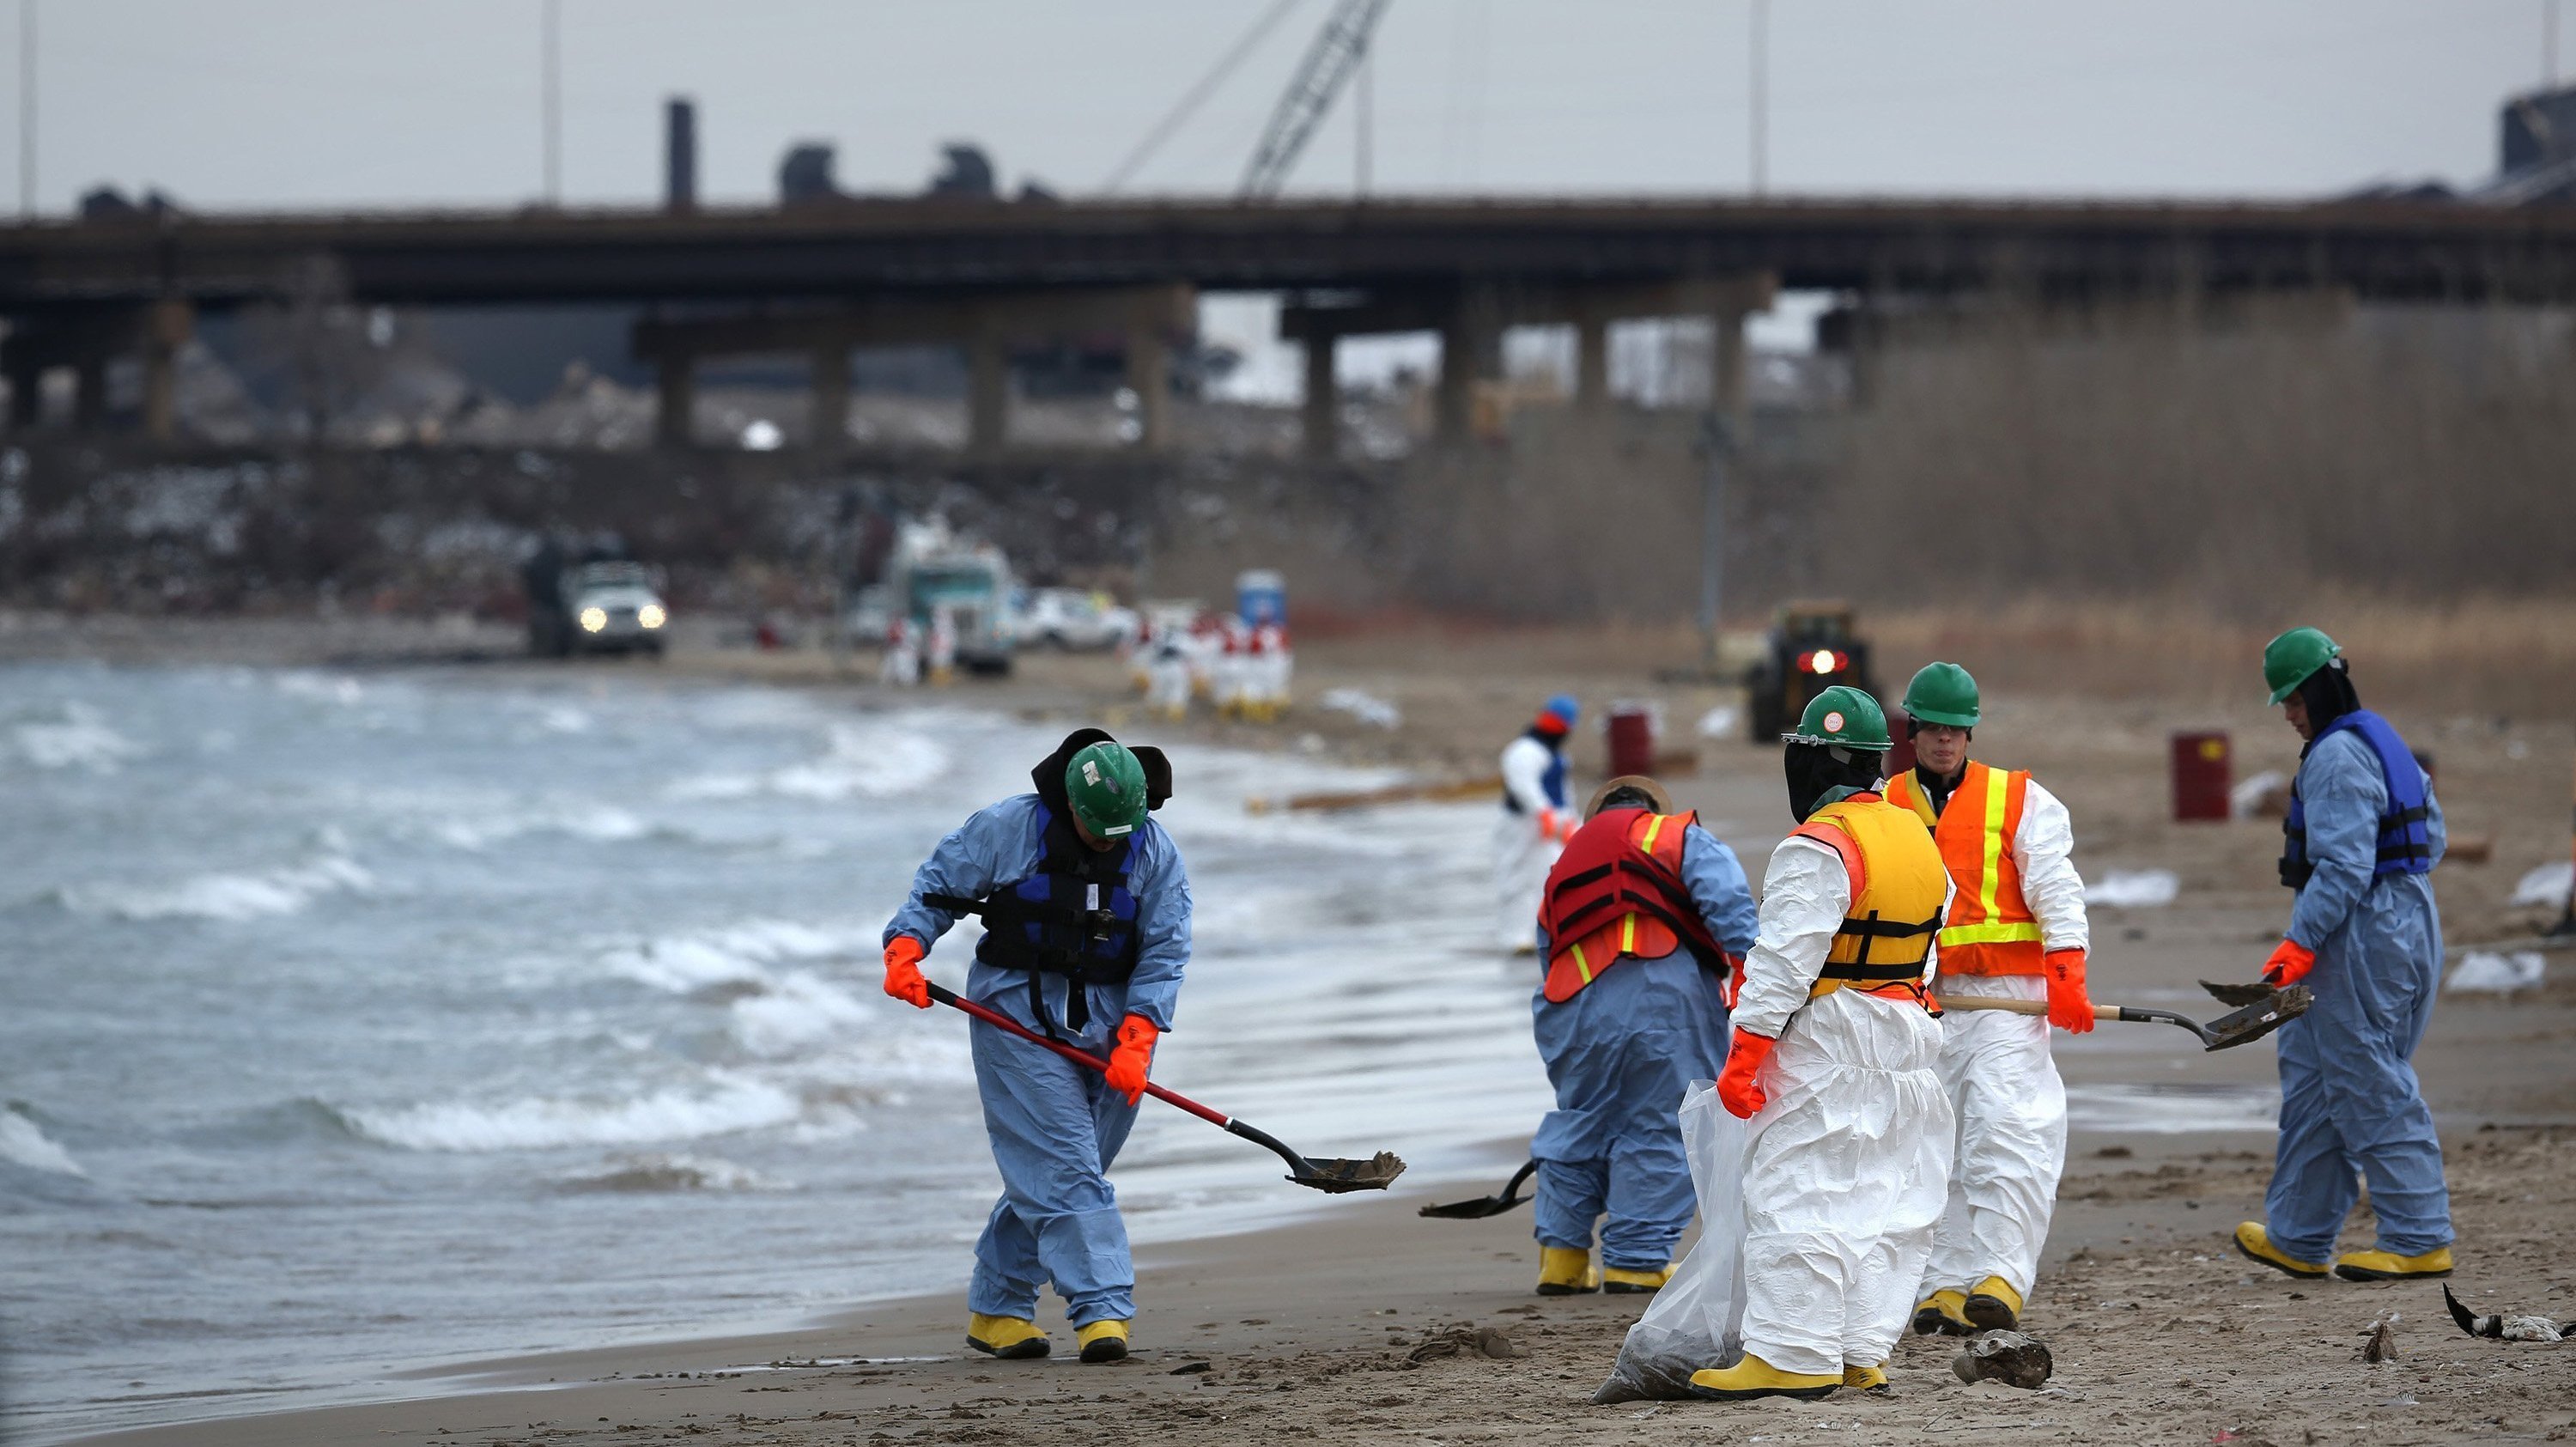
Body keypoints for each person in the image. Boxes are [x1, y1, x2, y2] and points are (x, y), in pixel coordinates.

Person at [880, 730, 1190, 1365]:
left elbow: (1166, 947)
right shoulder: (1008, 827)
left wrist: (1139, 1034)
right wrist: (906, 947)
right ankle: (1102, 1307)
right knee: (1065, 1166)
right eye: (1098, 828)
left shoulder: (1155, 851)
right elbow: (938, 886)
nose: (1109, 840)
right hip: (1014, 1010)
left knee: (1065, 1169)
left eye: (1122, 829)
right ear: (1070, 802)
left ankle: (998, 1307)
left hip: (1116, 1024)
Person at [1690, 687, 1954, 1402]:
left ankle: (1792, 1353)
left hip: (1832, 1037)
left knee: (1797, 1189)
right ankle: (1857, 1349)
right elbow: (1928, 951)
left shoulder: (1819, 845)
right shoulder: (1916, 835)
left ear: (1815, 760)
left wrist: (1745, 1057)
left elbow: (1782, 963)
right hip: (1907, 1038)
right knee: (1885, 1204)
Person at [2232, 627, 2452, 1283]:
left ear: (2324, 690)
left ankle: (2418, 1236)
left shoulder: (2333, 756)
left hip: (2362, 934)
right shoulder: (2382, 741)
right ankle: (2299, 1235)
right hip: (2399, 917)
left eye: (2296, 700)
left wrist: (2302, 940)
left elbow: (2345, 867)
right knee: (2314, 1078)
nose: (2290, 714)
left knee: (2365, 1079)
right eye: (2285, 702)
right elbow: (2432, 838)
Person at [1885, 663, 2092, 1338]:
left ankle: (2001, 1276)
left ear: (1971, 732)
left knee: (2006, 1131)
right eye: (1934, 728)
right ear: (1914, 730)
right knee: (1929, 1146)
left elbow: (2054, 883)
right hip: (1924, 1004)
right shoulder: (1884, 802)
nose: (1946, 740)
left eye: (1957, 729)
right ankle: (1943, 1283)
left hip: (2007, 999)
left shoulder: (2018, 798)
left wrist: (2067, 963)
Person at [1528, 775, 1759, 1297]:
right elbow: (1731, 913)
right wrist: (1757, 981)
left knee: (1581, 1119)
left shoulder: (1565, 863)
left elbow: (1547, 946)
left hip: (1570, 1007)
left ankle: (1562, 1259)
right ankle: (1636, 1258)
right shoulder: (1678, 836)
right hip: (1662, 997)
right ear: (1652, 809)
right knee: (1661, 1120)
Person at [1496, 694, 1581, 952]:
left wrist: (1570, 822)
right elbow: (1523, 785)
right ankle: (1517, 936)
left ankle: (1546, 932)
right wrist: (1543, 813)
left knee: (1549, 876)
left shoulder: (1556, 754)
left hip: (1552, 823)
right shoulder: (1524, 750)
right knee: (1517, 876)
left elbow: (1564, 792)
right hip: (1521, 822)